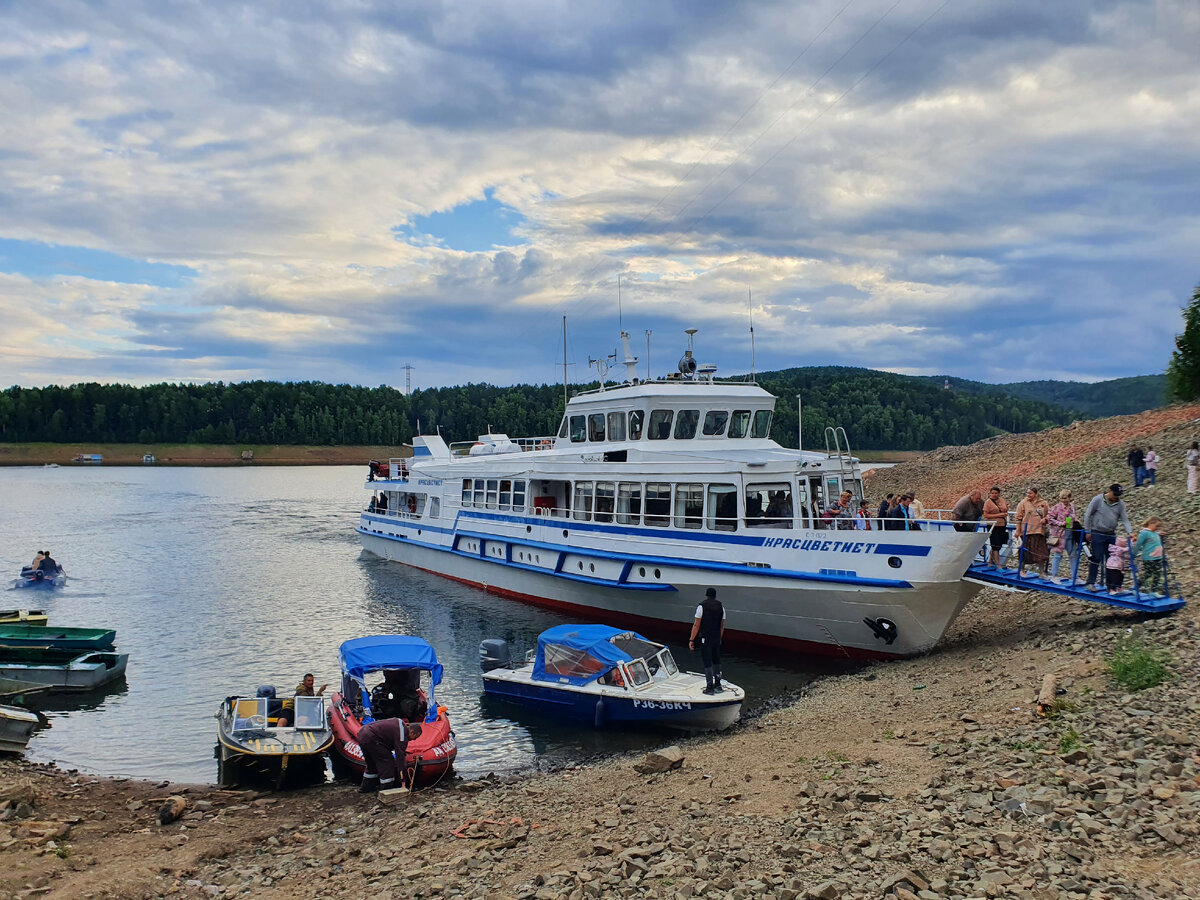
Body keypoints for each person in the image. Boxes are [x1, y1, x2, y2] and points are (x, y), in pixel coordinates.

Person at [1083, 484, 1132, 592]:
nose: (1116, 497)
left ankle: (1111, 585)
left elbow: (1125, 519)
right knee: (1096, 557)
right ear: (1109, 491)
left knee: (1112, 559)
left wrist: (1130, 532)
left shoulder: (1120, 504)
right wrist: (1087, 530)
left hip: (1110, 533)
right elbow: (1087, 514)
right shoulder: (1098, 500)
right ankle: (1091, 582)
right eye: (1114, 494)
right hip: (1097, 532)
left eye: (1118, 495)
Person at [358, 718, 422, 793]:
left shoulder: (399, 723)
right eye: (415, 737)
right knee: (387, 762)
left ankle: (365, 788)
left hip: (362, 734)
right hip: (372, 738)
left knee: (371, 764)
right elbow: (400, 758)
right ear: (411, 732)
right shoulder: (402, 736)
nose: (413, 740)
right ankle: (386, 790)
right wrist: (403, 782)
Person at [688, 587, 725, 695]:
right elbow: (722, 626)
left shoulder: (701, 607)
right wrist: (719, 638)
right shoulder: (721, 607)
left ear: (706, 595)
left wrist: (691, 639)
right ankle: (718, 685)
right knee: (717, 660)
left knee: (707, 661)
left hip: (706, 638)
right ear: (715, 596)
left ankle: (709, 687)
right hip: (716, 638)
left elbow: (696, 625)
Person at [1014, 487, 1050, 577]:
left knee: (1041, 552)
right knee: (1024, 551)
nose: (1028, 495)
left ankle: (1041, 572)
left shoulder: (1043, 503)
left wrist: (1045, 519)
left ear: (1035, 494)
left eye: (1030, 493)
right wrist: (1018, 530)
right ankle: (1021, 570)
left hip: (1039, 531)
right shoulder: (1023, 503)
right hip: (1026, 531)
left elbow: (1049, 515)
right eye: (1027, 493)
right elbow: (1018, 517)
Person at [1047, 489, 1077, 582]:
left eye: (1065, 498)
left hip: (1069, 532)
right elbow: (1049, 518)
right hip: (1059, 533)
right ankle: (1054, 575)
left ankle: (1075, 577)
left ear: (1069, 498)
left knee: (1073, 554)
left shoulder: (1072, 507)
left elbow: (1074, 517)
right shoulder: (1057, 507)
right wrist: (1060, 523)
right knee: (1058, 554)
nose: (1064, 500)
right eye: (1062, 498)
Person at [1134, 517, 1165, 596]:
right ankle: (1136, 587)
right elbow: (1138, 544)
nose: (1157, 528)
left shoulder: (1155, 533)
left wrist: (1159, 533)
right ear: (1150, 523)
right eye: (1156, 526)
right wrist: (1133, 553)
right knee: (1148, 574)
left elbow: (1154, 536)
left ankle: (1154, 590)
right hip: (1149, 558)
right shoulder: (1144, 533)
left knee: (1157, 574)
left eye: (1159, 527)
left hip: (1158, 557)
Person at [982, 487, 1009, 568]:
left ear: (999, 493)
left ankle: (990, 560)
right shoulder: (988, 502)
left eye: (996, 493)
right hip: (993, 525)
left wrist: (1005, 511)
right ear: (990, 494)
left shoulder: (1002, 500)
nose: (994, 495)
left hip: (1002, 525)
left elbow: (1005, 509)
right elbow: (986, 515)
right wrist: (999, 515)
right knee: (995, 544)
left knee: (999, 544)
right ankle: (998, 564)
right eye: (992, 493)